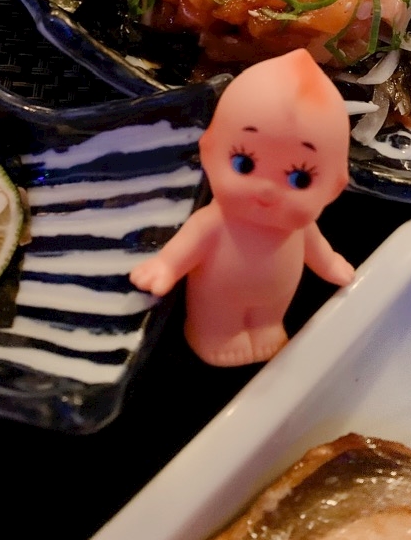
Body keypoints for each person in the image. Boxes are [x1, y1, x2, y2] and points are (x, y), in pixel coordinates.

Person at [129, 48, 355, 366]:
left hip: (276, 298)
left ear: (335, 186)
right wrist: (165, 267)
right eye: (244, 163)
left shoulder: (300, 228)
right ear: (209, 150)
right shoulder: (213, 222)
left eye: (300, 179)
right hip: (219, 297)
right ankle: (214, 334)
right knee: (219, 313)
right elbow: (185, 248)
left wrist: (330, 265)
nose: (268, 190)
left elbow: (318, 250)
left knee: (269, 314)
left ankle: (266, 328)